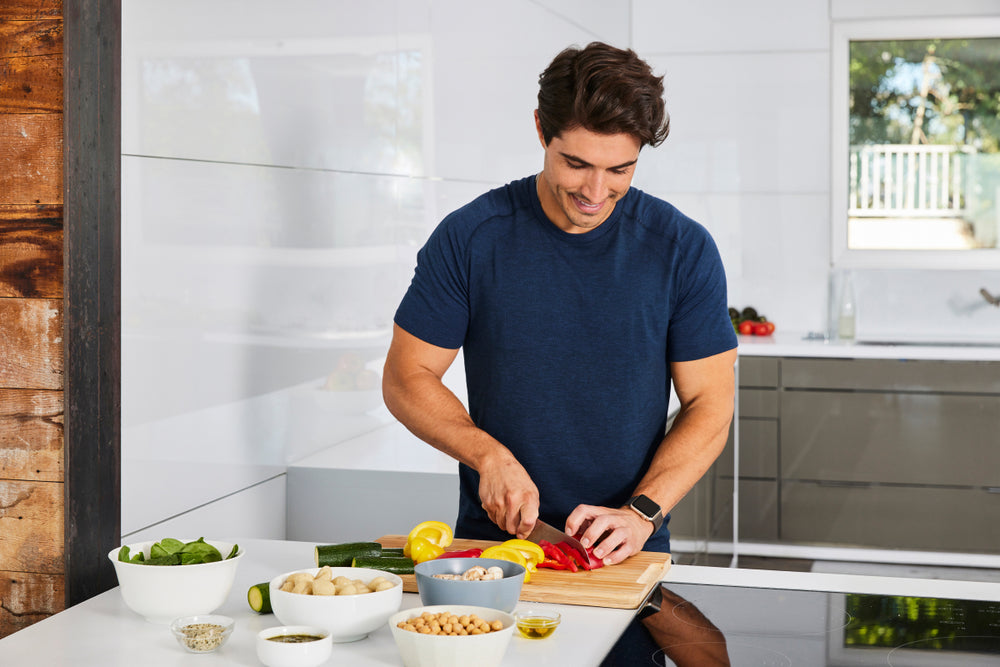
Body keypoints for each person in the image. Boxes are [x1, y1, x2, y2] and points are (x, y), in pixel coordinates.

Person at [382, 41, 738, 665]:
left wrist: (641, 512)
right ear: (542, 130)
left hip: (626, 551)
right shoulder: (471, 237)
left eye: (620, 170)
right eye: (576, 163)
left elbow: (711, 403)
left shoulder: (680, 248)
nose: (596, 191)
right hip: (494, 561)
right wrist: (484, 454)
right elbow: (406, 377)